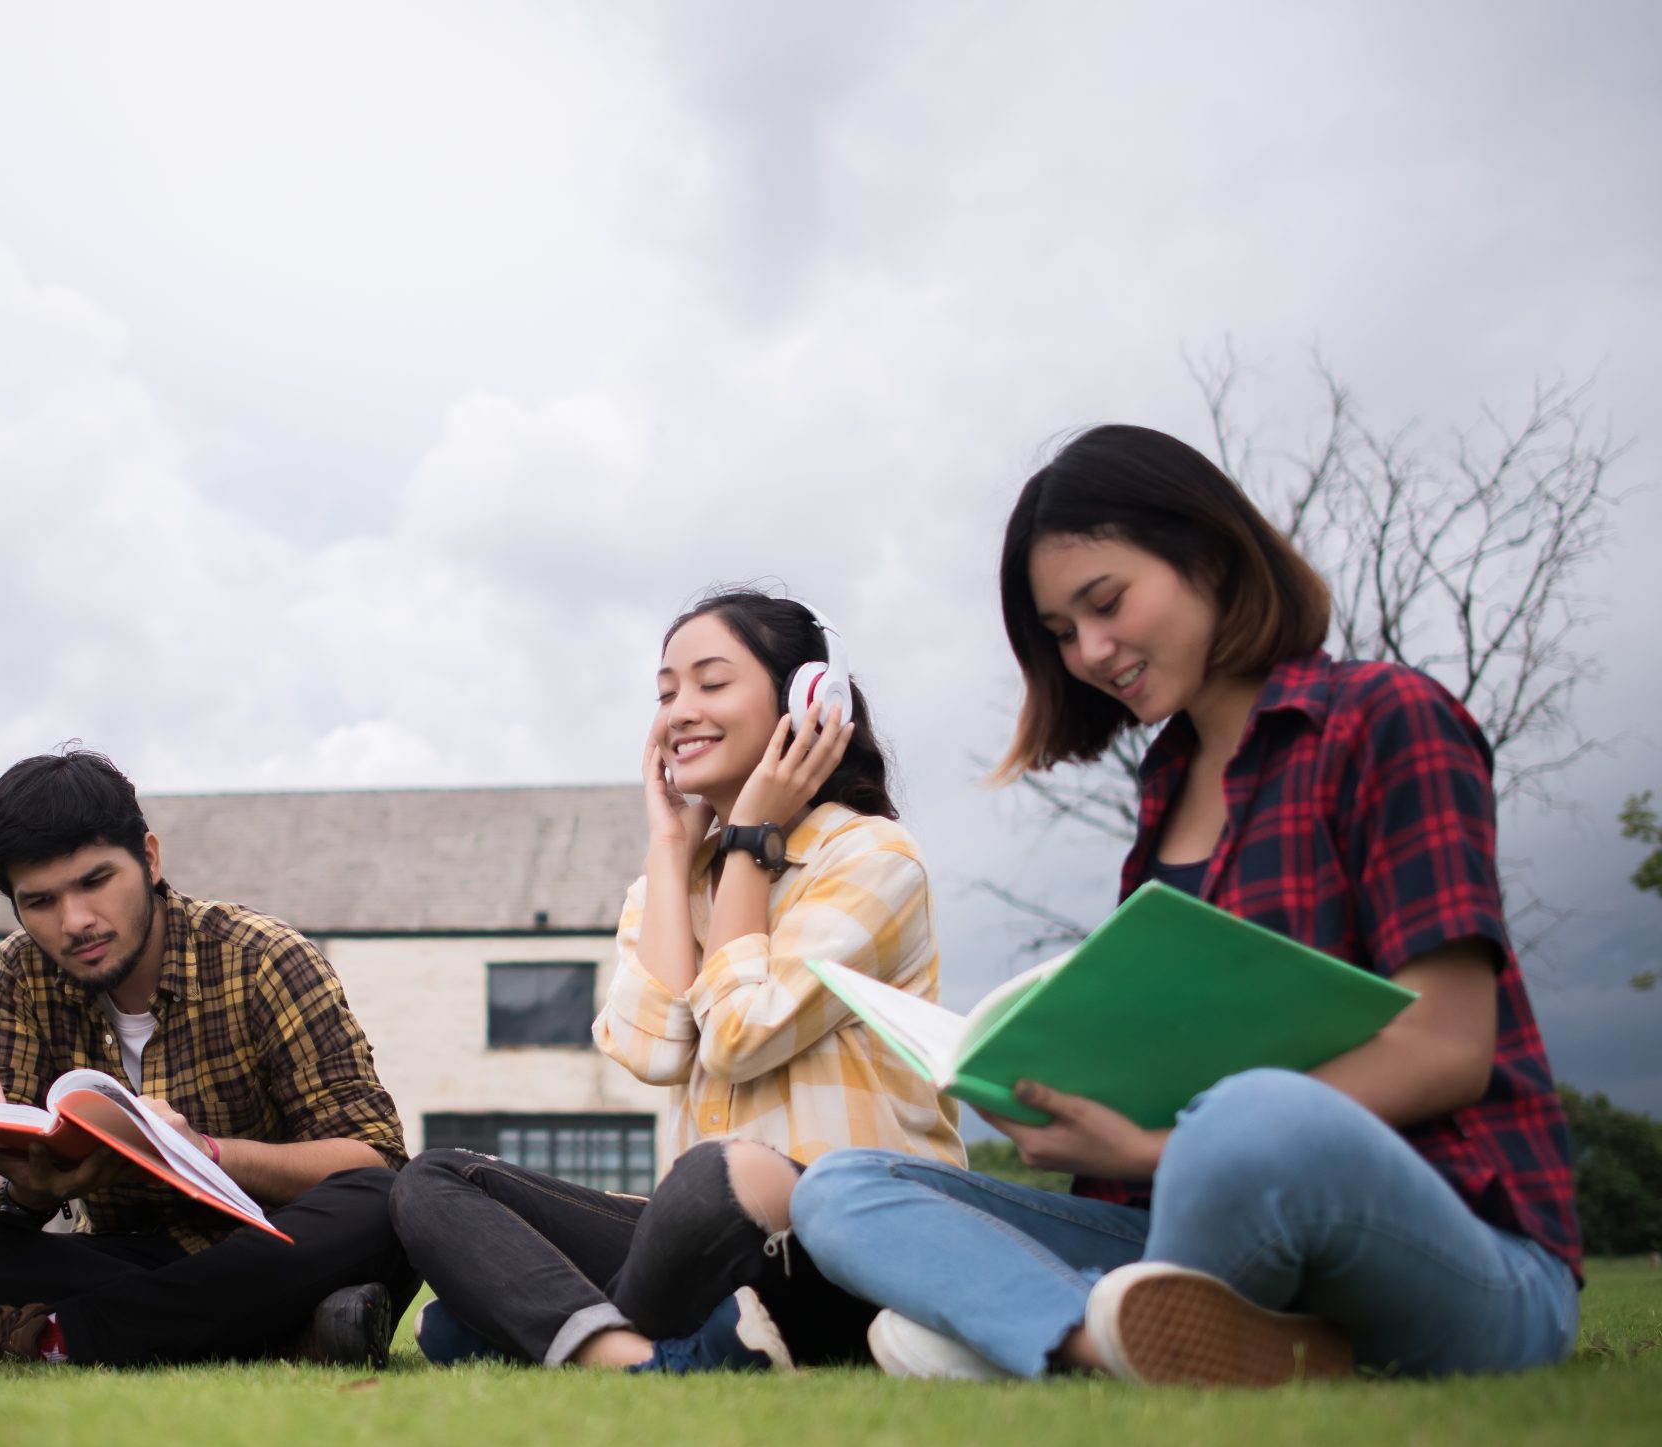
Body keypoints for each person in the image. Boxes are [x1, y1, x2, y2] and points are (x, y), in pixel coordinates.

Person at [790, 424, 1581, 1385]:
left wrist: (1162, 1144)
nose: (1091, 650)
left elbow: (1450, 1049)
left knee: (1252, 1121)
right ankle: (1107, 1338)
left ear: (1207, 551)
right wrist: (1060, 1105)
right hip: (1187, 1228)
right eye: (1061, 633)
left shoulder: (1387, 718)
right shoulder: (1166, 788)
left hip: (1454, 1247)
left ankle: (1035, 1328)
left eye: (1107, 601)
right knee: (842, 1189)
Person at [390, 589, 965, 1372]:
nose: (680, 711)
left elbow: (738, 1033)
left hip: (846, 1243)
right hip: (698, 1251)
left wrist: (751, 842)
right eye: (666, 693)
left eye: (711, 682)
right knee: (434, 1180)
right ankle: (646, 1357)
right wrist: (668, 849)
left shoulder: (871, 859)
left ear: (807, 699)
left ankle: (535, 1328)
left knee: (705, 1180)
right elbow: (651, 1048)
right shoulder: (669, 883)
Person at [0, 748, 412, 1369]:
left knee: (378, 1208)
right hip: (128, 1257)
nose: (77, 922)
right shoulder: (21, 974)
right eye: (40, 902)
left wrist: (202, 1153)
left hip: (273, 1247)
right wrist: (27, 1191)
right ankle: (275, 1332)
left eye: (96, 881)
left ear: (149, 858)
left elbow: (373, 1156)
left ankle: (51, 1337)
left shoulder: (263, 958)